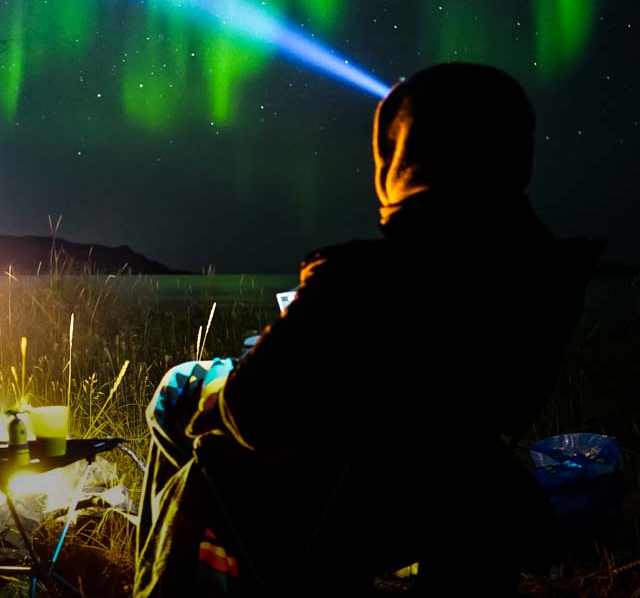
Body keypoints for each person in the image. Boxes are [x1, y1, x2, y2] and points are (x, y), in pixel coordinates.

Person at [135, 63, 603, 596]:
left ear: (403, 153)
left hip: (337, 504)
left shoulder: (361, 277)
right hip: (455, 495)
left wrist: (233, 380)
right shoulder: (543, 273)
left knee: (180, 388)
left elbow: (252, 413)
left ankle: (176, 575)